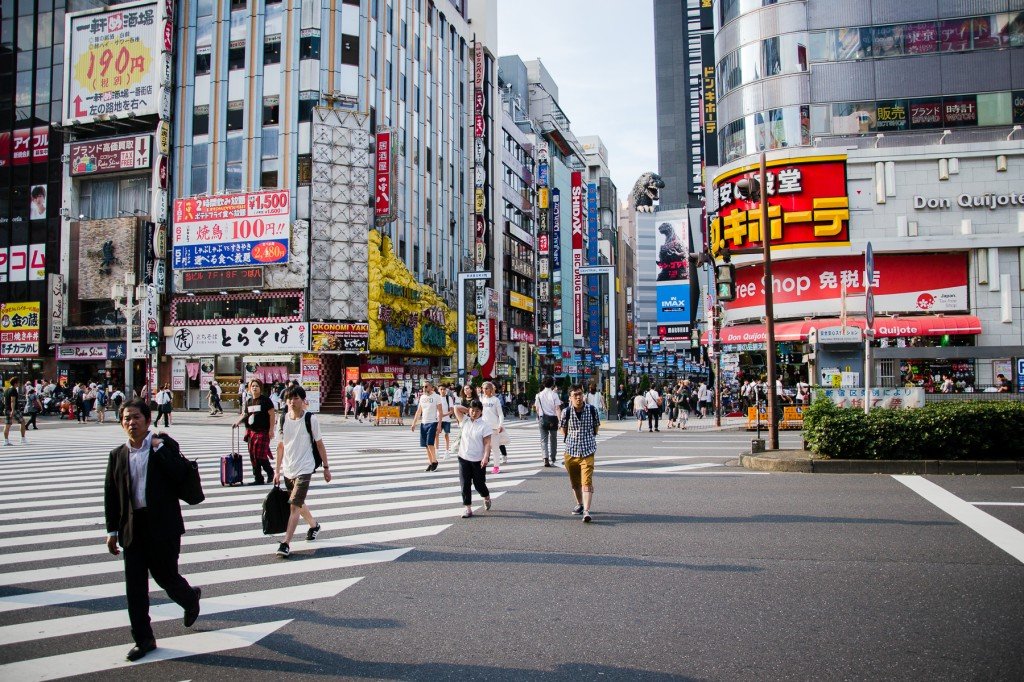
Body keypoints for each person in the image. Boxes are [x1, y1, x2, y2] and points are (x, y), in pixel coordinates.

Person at [103, 398, 201, 662]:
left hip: (163, 526)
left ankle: (190, 598)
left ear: (148, 420)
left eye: (136, 417)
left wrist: (159, 449)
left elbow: (181, 475)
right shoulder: (117, 455)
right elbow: (111, 495)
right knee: (134, 589)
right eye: (126, 418)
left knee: (167, 577)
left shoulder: (163, 446)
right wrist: (112, 531)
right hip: (132, 529)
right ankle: (144, 639)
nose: (131, 423)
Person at [273, 384, 332, 558]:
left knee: (294, 506)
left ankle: (285, 543)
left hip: (305, 467)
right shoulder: (282, 419)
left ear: (302, 400)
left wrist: (326, 468)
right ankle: (314, 526)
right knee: (298, 502)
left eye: (296, 398)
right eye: (289, 398)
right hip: (288, 468)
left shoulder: (310, 419)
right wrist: (277, 471)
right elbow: (280, 446)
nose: (292, 401)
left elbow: (319, 444)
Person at [560, 386, 601, 523]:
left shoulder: (592, 410)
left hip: (587, 451)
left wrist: (588, 437)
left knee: (586, 481)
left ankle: (586, 511)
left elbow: (596, 428)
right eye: (575, 395)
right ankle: (580, 503)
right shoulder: (566, 412)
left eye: (580, 394)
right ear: (570, 398)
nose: (578, 397)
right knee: (575, 482)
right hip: (570, 452)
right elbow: (563, 430)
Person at [451, 400, 493, 518]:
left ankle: (486, 496)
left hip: (478, 459)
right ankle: (468, 508)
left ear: (481, 412)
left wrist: (485, 457)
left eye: (477, 411)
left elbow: (487, 443)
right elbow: (456, 407)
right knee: (465, 483)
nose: (474, 413)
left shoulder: (485, 426)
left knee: (479, 484)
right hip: (463, 457)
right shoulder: (464, 421)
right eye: (472, 410)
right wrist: (468, 410)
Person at [233, 378, 276, 485]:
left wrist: (271, 430)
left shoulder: (265, 400)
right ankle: (258, 478)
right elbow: (245, 415)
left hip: (263, 432)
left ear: (260, 388)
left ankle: (270, 473)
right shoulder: (249, 402)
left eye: (256, 386)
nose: (254, 388)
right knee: (253, 455)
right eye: (252, 386)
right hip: (251, 432)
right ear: (249, 389)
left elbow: (272, 415)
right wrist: (238, 422)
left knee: (260, 455)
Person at [410, 381, 443, 472]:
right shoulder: (422, 397)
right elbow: (419, 411)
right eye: (423, 387)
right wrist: (414, 423)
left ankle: (435, 461)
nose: (424, 388)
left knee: (430, 443)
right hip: (423, 423)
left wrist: (439, 425)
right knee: (425, 445)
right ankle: (431, 462)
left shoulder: (437, 397)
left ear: (431, 387)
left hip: (432, 422)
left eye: (426, 386)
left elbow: (440, 412)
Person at [480, 381, 509, 473]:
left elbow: (500, 414)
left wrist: (500, 425)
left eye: (486, 388)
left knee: (495, 448)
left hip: (494, 428)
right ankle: (482, 464)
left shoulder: (495, 400)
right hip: (483, 427)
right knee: (482, 448)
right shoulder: (481, 399)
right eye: (483, 388)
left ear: (491, 389)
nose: (484, 390)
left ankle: (496, 466)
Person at [534, 376, 562, 467]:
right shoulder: (554, 395)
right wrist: (560, 420)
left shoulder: (538, 395)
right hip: (553, 419)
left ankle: (545, 458)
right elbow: (557, 408)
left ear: (543, 383)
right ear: (552, 384)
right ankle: (553, 457)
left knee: (543, 440)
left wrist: (539, 417)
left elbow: (537, 409)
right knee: (553, 439)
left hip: (543, 419)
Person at [4, 377, 27, 445]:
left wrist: (6, 408)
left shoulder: (6, 390)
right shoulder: (13, 390)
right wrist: (13, 410)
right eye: (18, 382)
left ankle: (6, 441)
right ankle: (23, 439)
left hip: (7, 409)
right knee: (22, 422)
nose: (19, 384)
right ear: (15, 383)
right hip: (14, 409)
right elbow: (12, 401)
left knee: (7, 425)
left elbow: (4, 400)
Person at [437, 384, 457, 457]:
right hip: (438, 420)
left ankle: (447, 451)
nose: (442, 391)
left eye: (444, 389)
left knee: (446, 435)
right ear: (438, 390)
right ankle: (437, 451)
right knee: (436, 434)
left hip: (446, 420)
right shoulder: (437, 398)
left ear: (446, 390)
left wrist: (443, 415)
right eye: (441, 389)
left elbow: (452, 411)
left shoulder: (449, 398)